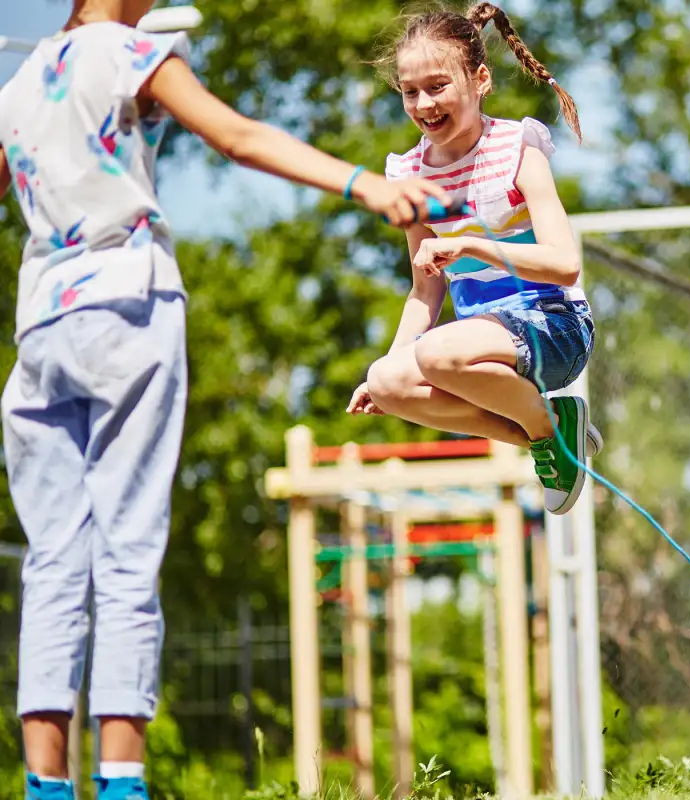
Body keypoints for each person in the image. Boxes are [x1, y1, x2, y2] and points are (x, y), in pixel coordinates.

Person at [0, 2, 448, 798]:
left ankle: (44, 788)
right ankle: (123, 783)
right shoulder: (131, 50)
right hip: (124, 305)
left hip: (41, 327)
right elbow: (236, 136)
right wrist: (363, 184)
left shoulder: (18, 82)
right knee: (127, 549)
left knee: (53, 564)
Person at [346, 2, 601, 516]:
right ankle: (546, 436)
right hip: (479, 346)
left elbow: (564, 264)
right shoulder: (410, 174)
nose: (423, 103)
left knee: (438, 354)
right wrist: (392, 366)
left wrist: (472, 246)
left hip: (554, 328)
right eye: (409, 91)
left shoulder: (517, 149)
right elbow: (425, 290)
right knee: (387, 379)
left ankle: (549, 429)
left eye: (437, 86)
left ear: (480, 79)